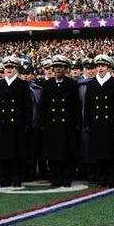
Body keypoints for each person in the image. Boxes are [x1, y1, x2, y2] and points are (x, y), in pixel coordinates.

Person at [0, 56, 33, 187]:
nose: (9, 69)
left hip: (17, 125)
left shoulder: (23, 84)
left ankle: (16, 178)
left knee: (17, 154)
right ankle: (4, 178)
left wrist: (27, 123)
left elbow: (27, 107)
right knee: (2, 154)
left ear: (16, 69)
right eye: (7, 67)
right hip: (1, 124)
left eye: (11, 67)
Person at [40, 55, 80, 187]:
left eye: (61, 67)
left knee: (67, 153)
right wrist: (43, 123)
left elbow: (76, 106)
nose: (58, 69)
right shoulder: (46, 84)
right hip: (51, 124)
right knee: (53, 154)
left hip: (67, 125)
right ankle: (55, 178)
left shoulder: (72, 84)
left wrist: (77, 124)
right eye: (56, 67)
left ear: (66, 69)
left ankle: (66, 178)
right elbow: (43, 106)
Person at [84, 54, 114, 187]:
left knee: (111, 154)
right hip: (96, 123)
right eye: (98, 66)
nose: (100, 68)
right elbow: (87, 106)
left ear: (109, 67)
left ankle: (112, 179)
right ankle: (101, 179)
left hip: (110, 124)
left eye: (103, 66)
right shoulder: (92, 84)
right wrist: (87, 123)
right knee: (98, 154)